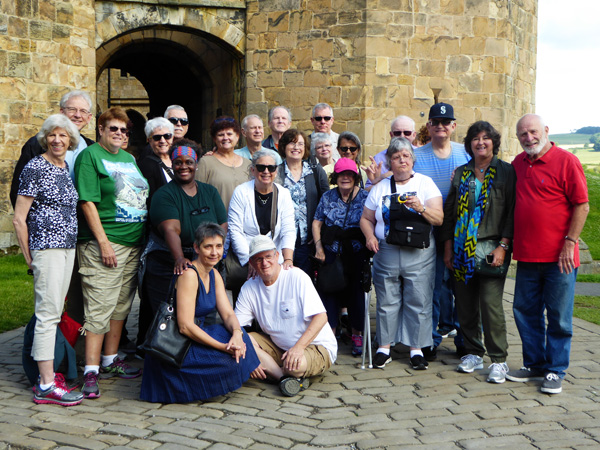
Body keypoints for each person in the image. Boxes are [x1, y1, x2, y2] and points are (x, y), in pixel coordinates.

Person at [505, 114, 589, 395]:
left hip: (560, 258)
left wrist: (570, 242)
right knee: (524, 312)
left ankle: (556, 370)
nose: (528, 138)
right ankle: (535, 364)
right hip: (528, 256)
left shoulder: (566, 161)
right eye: (522, 135)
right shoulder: (517, 164)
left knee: (559, 317)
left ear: (546, 131)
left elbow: (582, 205)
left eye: (532, 132)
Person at [74, 106, 149, 399]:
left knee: (120, 306)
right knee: (99, 307)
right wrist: (103, 242)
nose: (119, 133)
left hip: (132, 243)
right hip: (105, 243)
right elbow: (88, 202)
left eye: (124, 130)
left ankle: (110, 359)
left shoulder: (129, 159)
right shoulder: (90, 157)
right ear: (101, 130)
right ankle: (90, 371)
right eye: (113, 128)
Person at [140, 223, 260, 403]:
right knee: (230, 359)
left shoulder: (214, 274)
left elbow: (228, 315)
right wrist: (221, 347)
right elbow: (185, 326)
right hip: (181, 344)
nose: (214, 253)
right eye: (208, 247)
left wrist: (236, 334)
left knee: (242, 337)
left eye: (219, 246)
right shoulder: (189, 275)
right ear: (196, 248)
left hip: (199, 332)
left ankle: (277, 375)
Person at [13, 114, 83, 406]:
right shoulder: (36, 166)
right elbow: (19, 218)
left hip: (66, 247)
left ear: (71, 140)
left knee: (54, 311)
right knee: (48, 314)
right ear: (45, 138)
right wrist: (30, 256)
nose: (57, 140)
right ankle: (45, 383)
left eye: (63, 136)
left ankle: (49, 376)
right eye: (52, 135)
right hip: (47, 248)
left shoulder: (65, 166)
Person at [441, 121, 516, 383]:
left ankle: (499, 359)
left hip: (492, 247)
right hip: (462, 249)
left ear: (494, 142)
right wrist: (448, 247)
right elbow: (450, 212)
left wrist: (504, 246)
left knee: (491, 305)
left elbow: (510, 212)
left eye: (486, 138)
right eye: (475, 138)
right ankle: (473, 351)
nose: (480, 142)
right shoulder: (462, 172)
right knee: (465, 304)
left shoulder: (506, 172)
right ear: (469, 144)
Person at [360, 137, 443, 370]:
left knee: (419, 299)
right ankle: (384, 348)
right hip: (386, 250)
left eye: (406, 156)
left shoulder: (426, 184)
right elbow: (366, 218)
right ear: (389, 162)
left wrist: (421, 207)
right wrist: (370, 237)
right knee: (387, 299)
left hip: (419, 253)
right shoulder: (381, 187)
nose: (402, 160)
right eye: (396, 157)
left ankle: (416, 349)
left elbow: (439, 218)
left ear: (412, 160)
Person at [139, 142, 228, 349]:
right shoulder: (164, 194)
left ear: (196, 164)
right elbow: (171, 229)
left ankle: (201, 352)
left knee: (204, 313)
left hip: (203, 260)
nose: (183, 166)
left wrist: (214, 251)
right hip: (167, 261)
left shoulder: (210, 192)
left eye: (189, 162)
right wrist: (179, 258)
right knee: (167, 318)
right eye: (178, 162)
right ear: (172, 164)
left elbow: (222, 223)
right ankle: (164, 357)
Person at [235, 235, 338, 397]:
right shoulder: (249, 287)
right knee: (243, 342)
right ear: (252, 263)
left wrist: (298, 348)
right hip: (279, 346)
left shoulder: (296, 276)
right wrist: (246, 354)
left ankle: (279, 371)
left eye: (268, 256)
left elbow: (321, 317)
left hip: (316, 346)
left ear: (277, 256)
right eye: (258, 259)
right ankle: (284, 379)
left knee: (294, 366)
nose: (264, 263)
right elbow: (237, 328)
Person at [414, 103, 470, 359]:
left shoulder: (465, 153)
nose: (440, 126)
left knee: (462, 286)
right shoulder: (418, 154)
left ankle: (464, 337)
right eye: (435, 122)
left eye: (445, 122)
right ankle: (432, 338)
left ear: (453, 127)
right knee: (432, 286)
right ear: (429, 126)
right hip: (429, 228)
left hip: (461, 229)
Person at [313, 158, 369, 356]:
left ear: (355, 176)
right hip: (332, 250)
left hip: (356, 251)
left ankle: (357, 334)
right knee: (329, 292)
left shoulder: (364, 196)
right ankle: (330, 335)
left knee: (356, 294)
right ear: (335, 177)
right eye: (341, 174)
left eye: (349, 174)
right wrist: (319, 247)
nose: (345, 178)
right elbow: (317, 222)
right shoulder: (328, 196)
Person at [10, 90, 95, 207]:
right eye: (72, 109)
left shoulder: (91, 147)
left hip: (82, 220)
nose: (77, 115)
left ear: (89, 117)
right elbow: (19, 189)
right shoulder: (37, 144)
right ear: (61, 112)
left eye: (83, 111)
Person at [228, 150, 296, 289]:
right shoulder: (241, 192)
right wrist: (251, 261)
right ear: (253, 170)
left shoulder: (284, 194)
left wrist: (288, 259)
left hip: (274, 259)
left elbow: (288, 229)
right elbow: (235, 230)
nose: (266, 171)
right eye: (261, 167)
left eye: (271, 168)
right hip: (247, 258)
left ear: (276, 171)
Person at [277, 129, 329, 275]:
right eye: (292, 143)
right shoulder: (276, 172)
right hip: (283, 240)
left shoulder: (315, 171)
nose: (296, 147)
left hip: (308, 240)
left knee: (305, 281)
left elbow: (326, 201)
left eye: (300, 144)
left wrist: (318, 232)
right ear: (283, 147)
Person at [195, 116, 251, 211]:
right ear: (214, 138)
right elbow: (197, 195)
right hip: (218, 222)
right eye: (221, 135)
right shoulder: (206, 163)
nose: (225, 138)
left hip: (245, 222)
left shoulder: (248, 163)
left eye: (229, 134)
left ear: (237, 136)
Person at [364, 115, 417, 190]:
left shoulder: (421, 154)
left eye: (407, 133)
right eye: (397, 133)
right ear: (391, 135)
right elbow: (367, 190)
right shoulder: (379, 158)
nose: (402, 136)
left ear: (414, 135)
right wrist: (382, 178)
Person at [137, 117, 175, 204]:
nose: (162, 141)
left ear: (172, 137)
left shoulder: (179, 159)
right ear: (149, 140)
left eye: (167, 136)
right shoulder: (146, 165)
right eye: (157, 137)